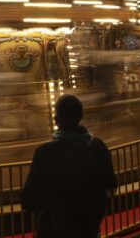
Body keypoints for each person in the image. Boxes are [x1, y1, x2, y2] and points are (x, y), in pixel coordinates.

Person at [22, 95, 116, 238]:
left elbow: (28, 198)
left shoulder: (46, 152)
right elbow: (110, 186)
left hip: (55, 229)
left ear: (56, 120)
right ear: (81, 116)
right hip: (88, 227)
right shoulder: (97, 146)